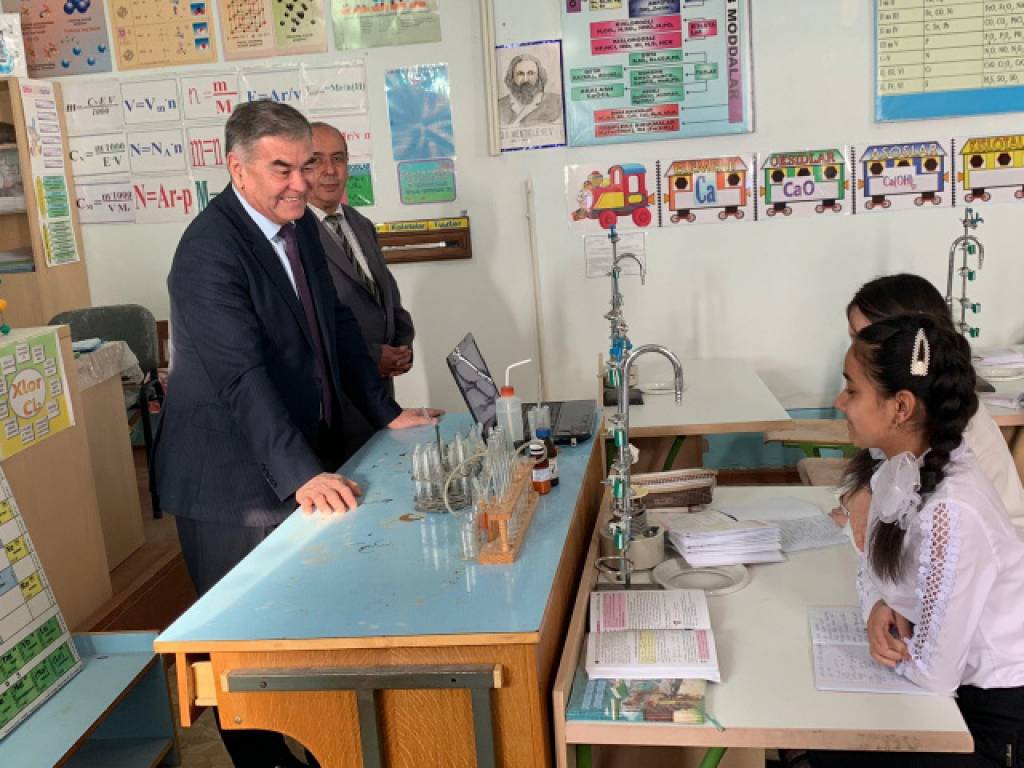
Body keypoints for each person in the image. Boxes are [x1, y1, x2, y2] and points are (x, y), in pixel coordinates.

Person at [154, 100, 436, 768]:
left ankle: (318, 749)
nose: (301, 183)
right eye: (282, 169)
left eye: (305, 166)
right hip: (227, 479)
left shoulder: (300, 225)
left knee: (306, 629)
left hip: (291, 450)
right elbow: (240, 376)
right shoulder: (208, 252)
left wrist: (384, 411)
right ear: (238, 169)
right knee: (243, 650)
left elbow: (338, 326)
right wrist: (302, 472)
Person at [805, 315, 1024, 767]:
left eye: (852, 390)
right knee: (829, 740)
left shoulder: (952, 509)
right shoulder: (899, 469)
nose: (840, 402)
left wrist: (885, 641)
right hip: (954, 693)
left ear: (901, 407)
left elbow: (934, 675)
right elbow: (872, 568)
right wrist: (877, 608)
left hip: (988, 715)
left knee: (837, 744)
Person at [834, 274, 1024, 548]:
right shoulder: (899, 410)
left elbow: (932, 537)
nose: (856, 351)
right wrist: (863, 496)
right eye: (853, 337)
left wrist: (868, 517)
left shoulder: (950, 425)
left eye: (865, 337)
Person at [302, 122, 415, 452]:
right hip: (338, 399)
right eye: (316, 160)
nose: (329, 170)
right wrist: (371, 356)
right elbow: (311, 323)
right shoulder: (294, 234)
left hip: (379, 392)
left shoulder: (359, 224)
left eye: (338, 159)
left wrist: (401, 346)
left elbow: (387, 293)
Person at [497, 53, 563, 128]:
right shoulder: (499, 106)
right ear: (512, 78)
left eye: (531, 73)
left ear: (539, 77)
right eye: (520, 74)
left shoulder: (557, 102)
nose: (525, 79)